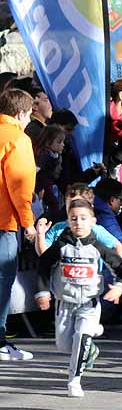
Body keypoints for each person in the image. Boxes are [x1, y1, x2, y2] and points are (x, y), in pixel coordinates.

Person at [34, 199, 122, 396]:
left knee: (81, 337)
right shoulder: (61, 245)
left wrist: (120, 287)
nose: (78, 222)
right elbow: (43, 266)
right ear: (69, 221)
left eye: (83, 218)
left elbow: (121, 267)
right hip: (65, 303)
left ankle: (74, 380)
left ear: (93, 221)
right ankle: (92, 341)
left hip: (89, 303)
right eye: (74, 219)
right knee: (64, 345)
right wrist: (43, 293)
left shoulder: (98, 246)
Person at [0, 88, 37, 360]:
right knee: (2, 282)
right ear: (20, 113)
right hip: (3, 222)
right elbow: (20, 186)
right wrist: (28, 223)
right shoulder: (18, 140)